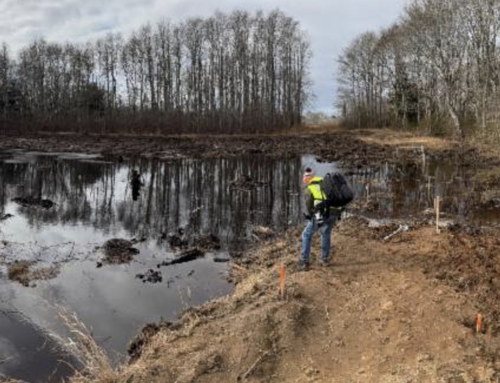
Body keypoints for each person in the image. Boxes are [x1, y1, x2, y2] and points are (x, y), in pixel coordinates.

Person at [299, 168, 342, 271]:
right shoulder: (324, 182)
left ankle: (305, 261)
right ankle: (324, 260)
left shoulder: (310, 187)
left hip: (322, 213)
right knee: (325, 233)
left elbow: (309, 205)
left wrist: (310, 216)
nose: (304, 181)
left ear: (307, 179)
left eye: (304, 178)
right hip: (334, 212)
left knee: (306, 234)